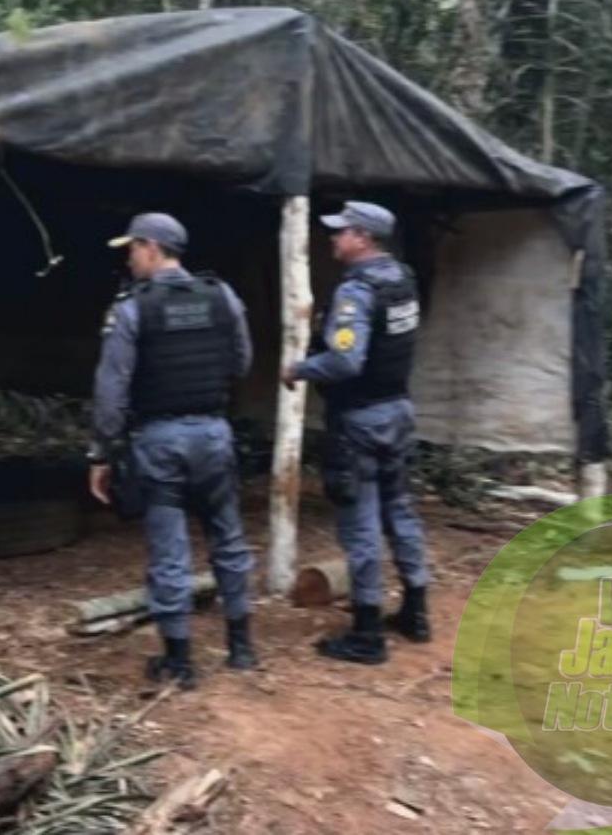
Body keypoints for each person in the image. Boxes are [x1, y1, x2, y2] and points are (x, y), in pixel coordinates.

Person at [88, 212, 257, 688]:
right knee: (228, 539)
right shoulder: (222, 295)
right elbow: (242, 362)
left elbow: (111, 389)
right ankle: (241, 647)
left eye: (133, 247)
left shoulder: (131, 308)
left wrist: (101, 452)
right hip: (214, 435)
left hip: (160, 441)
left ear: (152, 248)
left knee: (170, 550)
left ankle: (179, 662)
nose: (129, 257)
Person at [283, 201, 432, 664]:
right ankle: (416, 611)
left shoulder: (357, 292)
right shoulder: (402, 280)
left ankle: (367, 633)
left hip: (361, 421)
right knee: (400, 512)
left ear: (363, 238)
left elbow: (347, 360)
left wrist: (299, 369)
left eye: (341, 232)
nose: (334, 237)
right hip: (398, 412)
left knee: (361, 522)